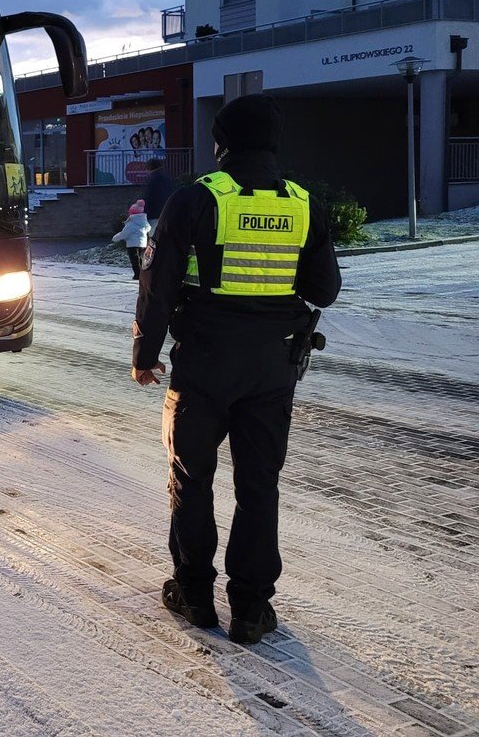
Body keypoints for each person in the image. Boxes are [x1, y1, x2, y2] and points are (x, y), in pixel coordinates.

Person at [131, 94, 341, 645]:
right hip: (273, 369)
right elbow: (326, 290)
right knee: (258, 485)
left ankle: (194, 594)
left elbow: (158, 289)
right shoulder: (304, 205)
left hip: (202, 366)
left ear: (222, 143)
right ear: (273, 143)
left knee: (190, 477)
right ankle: (251, 609)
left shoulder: (195, 200)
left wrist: (143, 354)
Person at [112, 199, 151, 279]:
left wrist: (115, 238)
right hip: (143, 244)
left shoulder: (131, 224)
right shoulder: (144, 222)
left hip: (132, 245)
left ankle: (137, 275)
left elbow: (124, 234)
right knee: (141, 259)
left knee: (135, 261)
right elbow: (149, 229)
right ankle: (143, 274)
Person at [142, 157, 177, 229]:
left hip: (155, 215)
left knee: (155, 237)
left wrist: (145, 214)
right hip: (169, 213)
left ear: (149, 168)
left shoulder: (153, 179)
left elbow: (149, 198)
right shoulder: (168, 178)